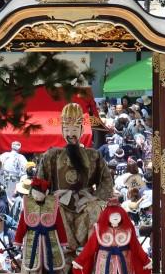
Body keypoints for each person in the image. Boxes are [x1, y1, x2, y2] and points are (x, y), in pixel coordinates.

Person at [36, 102, 113, 255]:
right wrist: (39, 192)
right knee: (54, 210)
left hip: (85, 200)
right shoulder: (52, 155)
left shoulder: (93, 155)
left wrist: (97, 199)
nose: (71, 134)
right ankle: (65, 250)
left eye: (74, 130)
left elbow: (105, 180)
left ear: (82, 130)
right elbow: (41, 179)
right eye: (68, 130)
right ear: (62, 131)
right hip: (60, 200)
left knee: (95, 211)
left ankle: (89, 251)